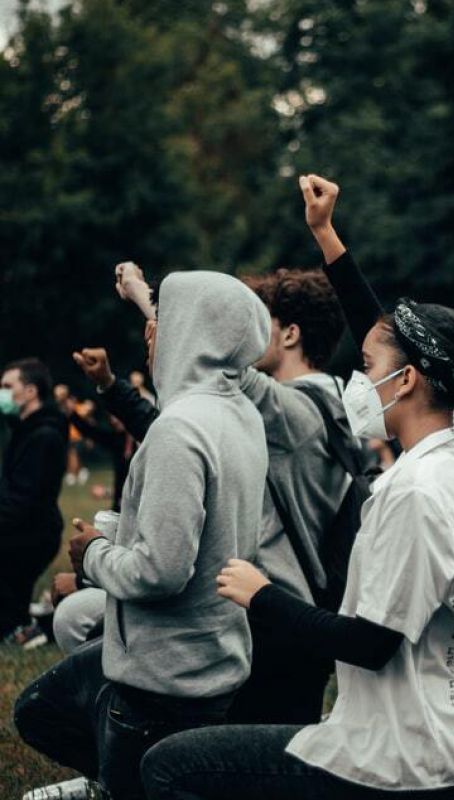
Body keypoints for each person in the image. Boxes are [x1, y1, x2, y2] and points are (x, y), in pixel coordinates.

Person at [138, 172, 454, 800]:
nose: (358, 379)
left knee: (169, 767)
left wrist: (262, 597)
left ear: (410, 381)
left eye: (367, 369)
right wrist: (327, 236)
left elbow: (370, 644)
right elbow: (386, 335)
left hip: (407, 759)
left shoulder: (412, 494)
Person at [70, 257, 359, 727]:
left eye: (256, 318)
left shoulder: (300, 414)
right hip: (266, 605)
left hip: (277, 610)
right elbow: (180, 415)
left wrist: (147, 302)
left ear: (289, 335)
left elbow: (203, 355)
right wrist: (111, 385)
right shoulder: (281, 408)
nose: (241, 331)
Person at [15, 271, 270, 800]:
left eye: (166, 322)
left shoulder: (180, 430)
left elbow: (161, 571)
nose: (153, 335)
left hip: (162, 682)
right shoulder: (239, 413)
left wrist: (93, 557)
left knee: (76, 738)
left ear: (191, 335)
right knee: (39, 708)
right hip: (209, 659)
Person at [0, 358, 68, 643]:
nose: (2, 392)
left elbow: (23, 501)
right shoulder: (26, 430)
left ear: (30, 392)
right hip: (25, 528)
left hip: (32, 533)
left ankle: (31, 627)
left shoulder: (44, 435)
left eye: (7, 386)